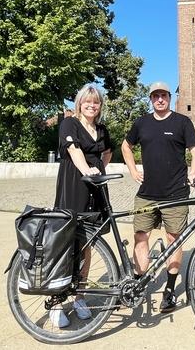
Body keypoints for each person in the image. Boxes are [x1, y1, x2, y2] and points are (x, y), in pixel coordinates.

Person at [121, 81, 195, 313]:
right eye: (155, 95)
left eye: (163, 95)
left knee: (173, 239)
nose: (159, 99)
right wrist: (133, 169)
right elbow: (126, 146)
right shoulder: (142, 123)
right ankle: (138, 283)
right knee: (140, 237)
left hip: (176, 193)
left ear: (168, 97)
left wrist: (193, 172)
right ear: (150, 99)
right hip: (147, 193)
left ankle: (169, 290)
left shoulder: (182, 122)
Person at [52, 84, 113, 328]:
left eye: (96, 102)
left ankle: (80, 297)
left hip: (95, 191)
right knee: (67, 245)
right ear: (79, 103)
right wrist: (87, 170)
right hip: (75, 185)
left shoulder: (102, 129)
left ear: (100, 106)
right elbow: (74, 149)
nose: (91, 105)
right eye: (87, 101)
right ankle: (57, 301)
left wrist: (100, 169)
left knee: (89, 244)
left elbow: (107, 152)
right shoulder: (70, 123)